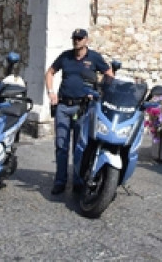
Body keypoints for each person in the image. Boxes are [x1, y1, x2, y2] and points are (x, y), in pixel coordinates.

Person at [44, 28, 113, 195]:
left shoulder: (94, 57)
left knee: (79, 147)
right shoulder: (65, 56)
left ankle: (77, 181)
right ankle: (60, 181)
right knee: (61, 146)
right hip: (63, 106)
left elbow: (109, 74)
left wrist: (100, 91)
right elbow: (50, 72)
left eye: (80, 38)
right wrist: (51, 93)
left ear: (86, 40)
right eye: (75, 38)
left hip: (83, 108)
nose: (77, 41)